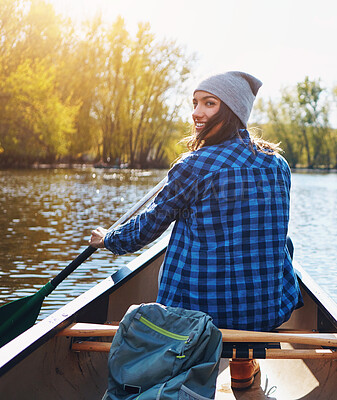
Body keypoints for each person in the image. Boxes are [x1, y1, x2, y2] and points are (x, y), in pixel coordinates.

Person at [90, 71, 303, 390]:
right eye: (195, 103)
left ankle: (182, 361)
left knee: (175, 252)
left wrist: (109, 239)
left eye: (209, 103)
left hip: (199, 316)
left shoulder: (193, 165)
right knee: (280, 243)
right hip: (267, 311)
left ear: (232, 111)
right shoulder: (278, 165)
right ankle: (243, 366)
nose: (196, 112)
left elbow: (145, 230)